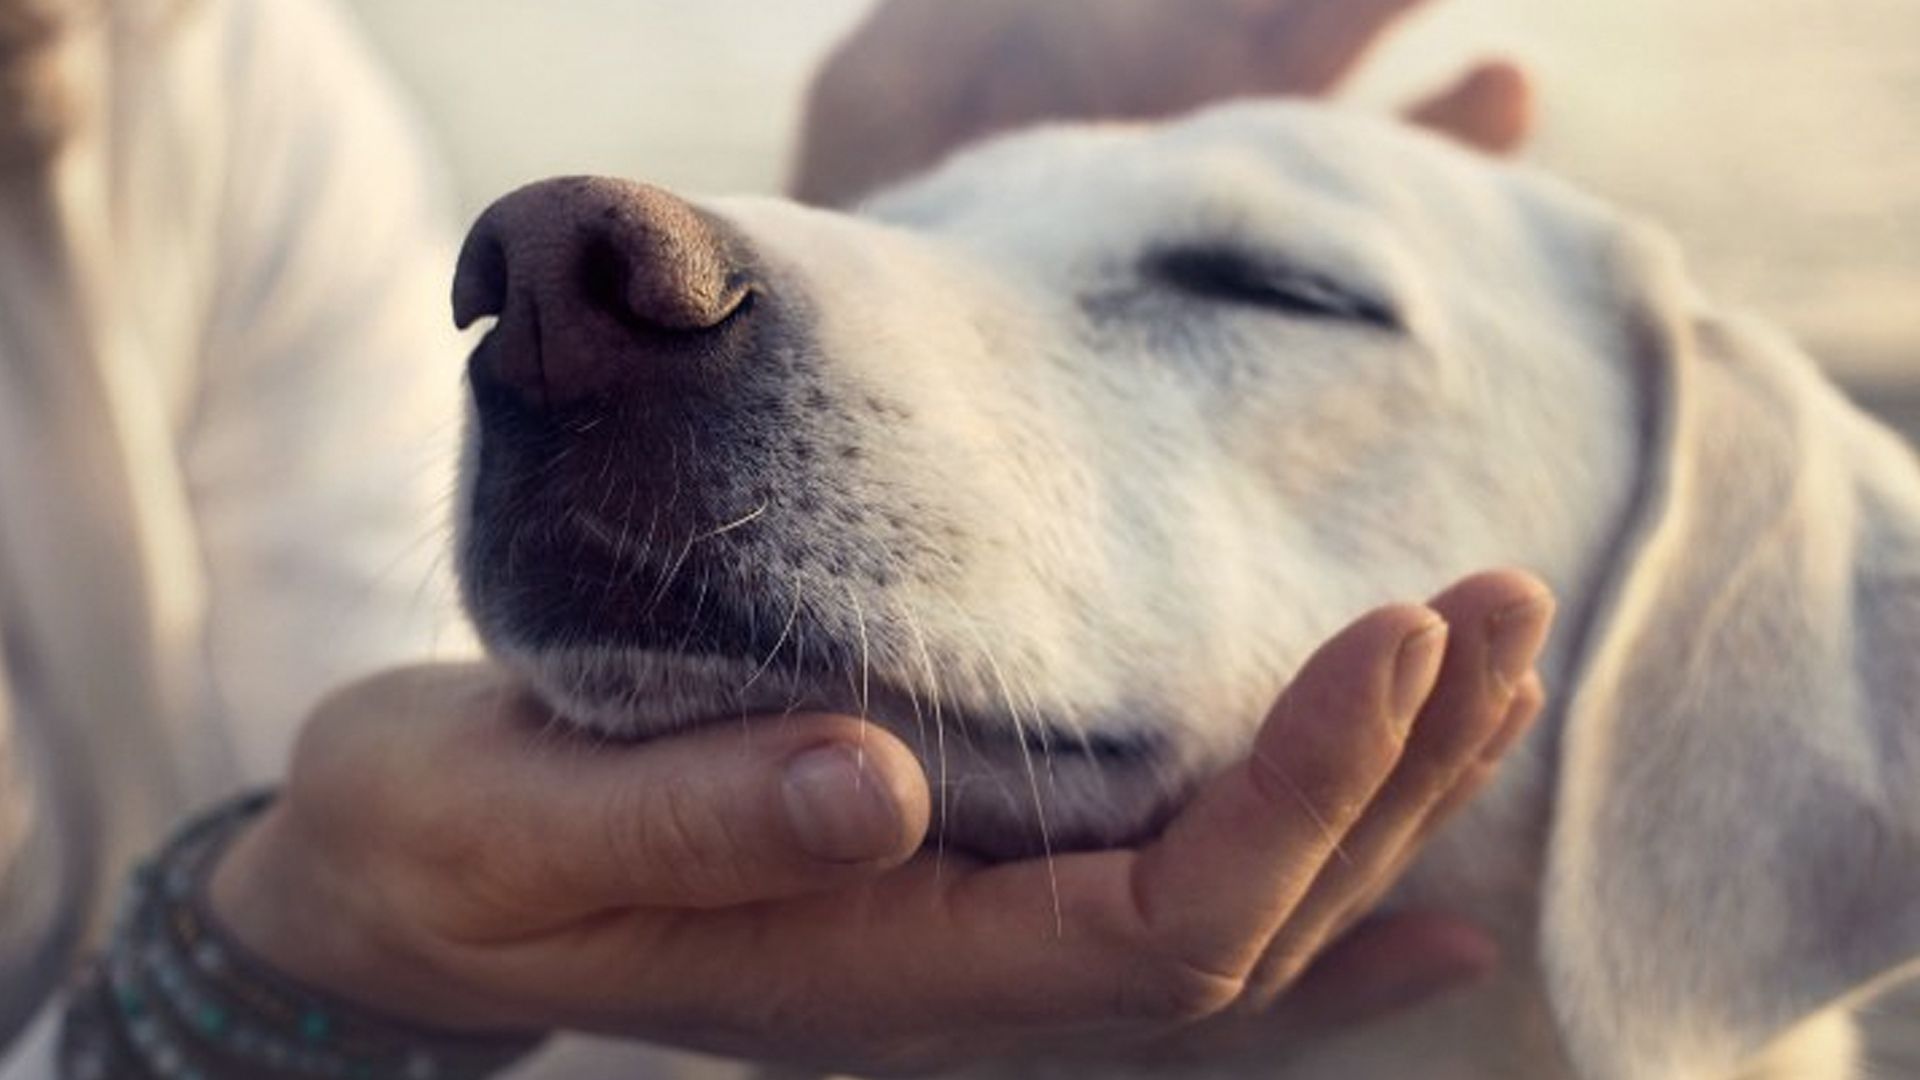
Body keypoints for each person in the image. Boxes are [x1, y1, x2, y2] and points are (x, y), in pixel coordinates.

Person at [0, 0, 1546, 1077]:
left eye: (1265, 287)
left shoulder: (188, 55)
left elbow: (433, 808)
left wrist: (880, 269)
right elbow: (369, 861)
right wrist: (282, 968)